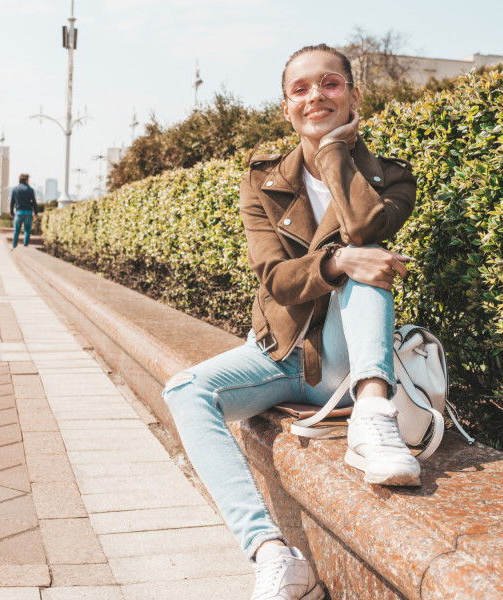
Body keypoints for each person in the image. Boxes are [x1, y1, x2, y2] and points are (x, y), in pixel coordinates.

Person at [162, 44, 417, 600]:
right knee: (184, 389)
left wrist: (333, 155)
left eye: (329, 84)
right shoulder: (263, 179)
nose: (315, 96)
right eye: (300, 89)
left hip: (346, 358)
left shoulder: (392, 178)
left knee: (367, 257)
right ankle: (274, 555)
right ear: (286, 107)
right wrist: (337, 261)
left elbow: (364, 226)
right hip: (277, 352)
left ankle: (375, 414)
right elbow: (274, 277)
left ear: (352, 95)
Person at [10, 173, 38, 248]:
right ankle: (25, 244)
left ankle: (14, 245)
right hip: (28, 212)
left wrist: (11, 213)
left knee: (16, 230)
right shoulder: (30, 190)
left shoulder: (15, 189)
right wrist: (36, 213)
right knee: (27, 230)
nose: (29, 181)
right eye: (28, 179)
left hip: (19, 212)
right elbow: (34, 202)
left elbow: (12, 202)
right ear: (26, 180)